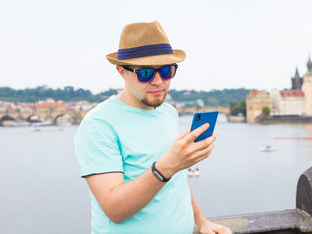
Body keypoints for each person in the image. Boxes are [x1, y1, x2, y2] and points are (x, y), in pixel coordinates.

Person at [74, 21, 232, 234]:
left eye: (167, 71)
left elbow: (176, 181)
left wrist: (202, 222)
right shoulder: (99, 124)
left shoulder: (168, 113)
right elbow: (115, 210)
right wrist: (167, 166)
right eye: (146, 73)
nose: (159, 81)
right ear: (122, 71)